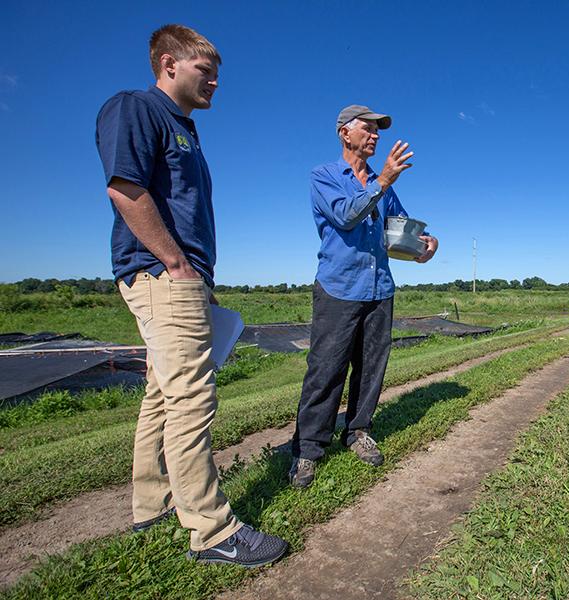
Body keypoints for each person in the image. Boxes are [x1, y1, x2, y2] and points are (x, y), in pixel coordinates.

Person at [95, 24, 287, 567]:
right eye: (206, 71)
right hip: (162, 274)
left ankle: (151, 505)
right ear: (168, 63)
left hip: (182, 277)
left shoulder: (187, 131)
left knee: (162, 393)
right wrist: (176, 263)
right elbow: (125, 189)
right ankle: (213, 531)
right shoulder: (136, 107)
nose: (215, 83)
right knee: (191, 398)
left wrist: (198, 273)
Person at [289, 105, 438, 487]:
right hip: (339, 287)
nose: (374, 135)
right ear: (344, 133)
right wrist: (383, 181)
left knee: (371, 366)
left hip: (379, 289)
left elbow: (397, 235)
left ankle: (357, 431)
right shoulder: (324, 177)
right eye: (367, 129)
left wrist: (423, 245)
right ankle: (308, 450)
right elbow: (345, 216)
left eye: (378, 130)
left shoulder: (383, 184)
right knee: (326, 369)